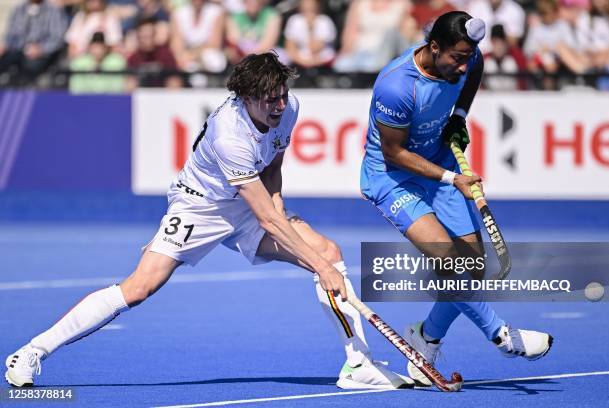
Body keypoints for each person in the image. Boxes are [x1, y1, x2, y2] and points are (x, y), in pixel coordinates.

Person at [5, 52, 409, 391]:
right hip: (199, 207)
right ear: (247, 98)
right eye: (270, 99)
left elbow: (273, 169)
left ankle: (358, 366)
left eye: (283, 96)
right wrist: (319, 267)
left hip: (248, 203)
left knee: (327, 250)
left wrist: (287, 214)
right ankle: (32, 352)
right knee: (140, 287)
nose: (280, 106)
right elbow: (267, 219)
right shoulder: (228, 136)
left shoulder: (288, 109)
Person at [359, 11, 553, 386]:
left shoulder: (469, 58)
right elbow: (394, 153)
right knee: (447, 258)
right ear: (434, 47)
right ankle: (501, 336)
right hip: (393, 178)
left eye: (468, 56)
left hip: (441, 165)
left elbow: (475, 71)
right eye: (457, 58)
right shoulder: (397, 85)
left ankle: (426, 338)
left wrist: (459, 115)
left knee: (472, 268)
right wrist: (453, 178)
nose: (464, 66)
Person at [0, 0, 67, 85]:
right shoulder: (19, 9)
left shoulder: (54, 10)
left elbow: (57, 38)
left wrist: (41, 49)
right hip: (18, 50)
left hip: (42, 54)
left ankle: (26, 92)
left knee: (30, 66)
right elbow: (11, 34)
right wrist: (5, 44)